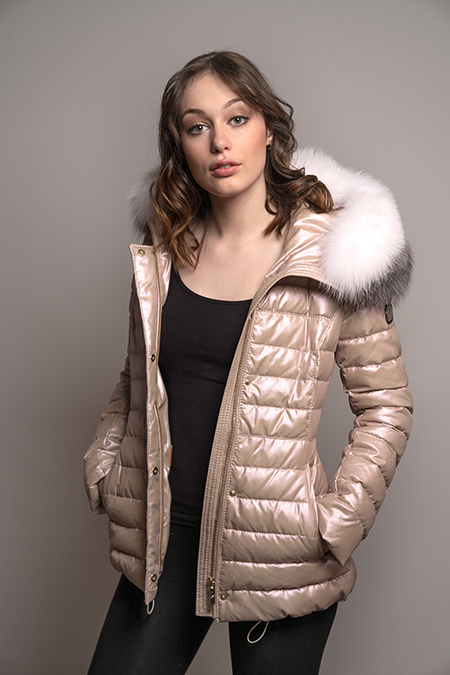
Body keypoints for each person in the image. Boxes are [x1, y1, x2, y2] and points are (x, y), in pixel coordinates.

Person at [83, 51, 413, 675]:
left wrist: (336, 521)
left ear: (268, 127)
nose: (219, 141)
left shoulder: (336, 253)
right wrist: (107, 460)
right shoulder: (163, 247)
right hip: (163, 538)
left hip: (278, 552)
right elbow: (137, 378)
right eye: (197, 125)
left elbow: (386, 405)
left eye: (236, 118)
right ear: (180, 145)